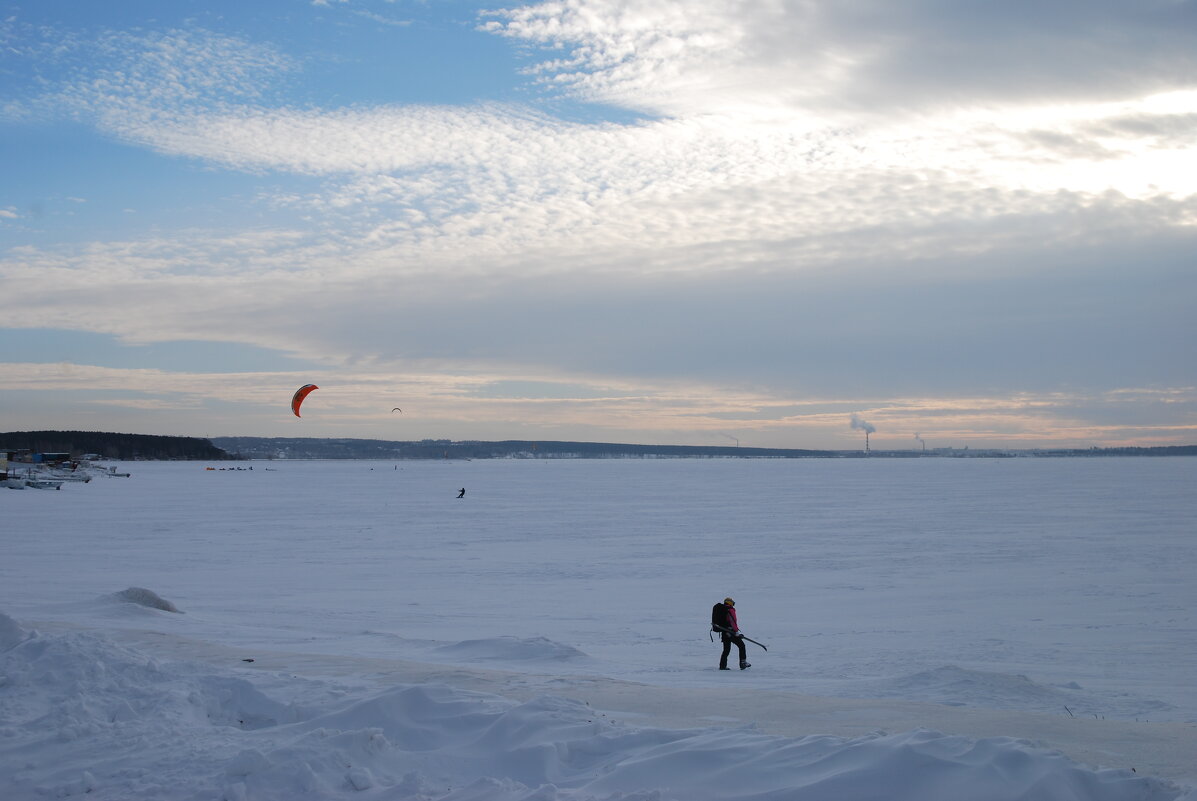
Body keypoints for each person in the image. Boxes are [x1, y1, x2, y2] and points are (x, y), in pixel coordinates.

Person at [714, 596, 750, 670]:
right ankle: (743, 662)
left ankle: (722, 666)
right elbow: (733, 622)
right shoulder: (730, 610)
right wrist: (736, 632)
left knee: (726, 649)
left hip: (724, 632)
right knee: (742, 645)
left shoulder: (722, 609)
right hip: (731, 632)